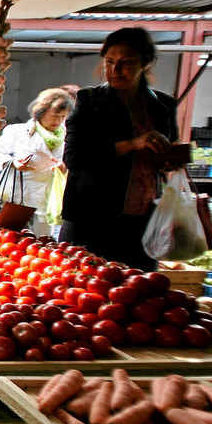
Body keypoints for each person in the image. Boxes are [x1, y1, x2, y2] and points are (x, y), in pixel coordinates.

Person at [61, 27, 180, 271]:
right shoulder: (90, 102)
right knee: (85, 289)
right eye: (109, 61)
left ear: (145, 63)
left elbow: (169, 149)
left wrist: (170, 159)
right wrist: (132, 144)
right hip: (93, 218)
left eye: (125, 63)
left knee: (141, 293)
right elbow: (75, 158)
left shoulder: (162, 105)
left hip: (144, 220)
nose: (115, 70)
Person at [0, 88, 72, 234]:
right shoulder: (17, 132)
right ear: (41, 112)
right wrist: (12, 162)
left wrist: (65, 166)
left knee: (43, 247)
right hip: (19, 202)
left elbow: (72, 160)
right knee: (11, 244)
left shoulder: (67, 135)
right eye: (55, 116)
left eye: (63, 116)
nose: (59, 121)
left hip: (48, 204)